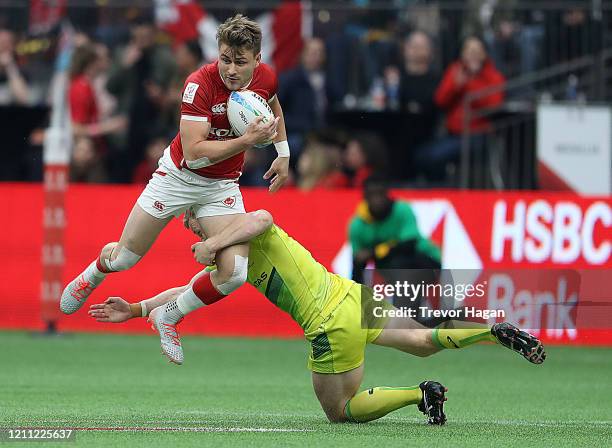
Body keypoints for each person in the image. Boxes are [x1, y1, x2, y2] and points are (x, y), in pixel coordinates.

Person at [88, 208, 546, 425]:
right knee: (424, 343)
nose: (189, 227)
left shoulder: (237, 231)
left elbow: (263, 218)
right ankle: (493, 329)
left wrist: (208, 242)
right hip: (350, 295)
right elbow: (190, 291)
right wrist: (137, 309)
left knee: (339, 411)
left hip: (330, 323)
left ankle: (419, 397)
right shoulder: (231, 262)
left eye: (190, 219)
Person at [60, 14, 291, 365]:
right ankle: (94, 272)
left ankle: (169, 314)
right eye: (225, 59)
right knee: (125, 258)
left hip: (221, 186)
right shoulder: (199, 84)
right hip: (178, 178)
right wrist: (248, 140)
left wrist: (283, 153)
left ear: (257, 60)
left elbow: (272, 103)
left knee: (234, 274)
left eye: (240, 62)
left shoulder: (266, 77)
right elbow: (196, 153)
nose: (231, 69)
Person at [414, 35, 505, 182]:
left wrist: (469, 84)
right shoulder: (455, 70)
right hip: (453, 134)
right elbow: (440, 100)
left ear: (484, 54)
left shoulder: (493, 76)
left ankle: (441, 188)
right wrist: (455, 86)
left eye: (477, 51)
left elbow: (493, 106)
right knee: (421, 154)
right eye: (469, 51)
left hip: (479, 136)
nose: (473, 55)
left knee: (434, 156)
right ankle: (439, 186)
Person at [0, 28, 30, 106]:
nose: (4, 47)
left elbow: (23, 99)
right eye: (2, 43)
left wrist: (10, 67)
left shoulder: (20, 71)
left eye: (8, 43)